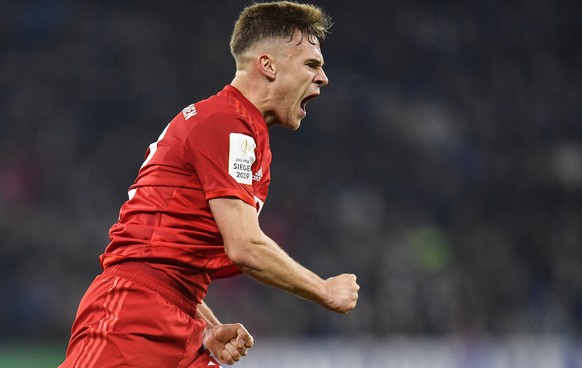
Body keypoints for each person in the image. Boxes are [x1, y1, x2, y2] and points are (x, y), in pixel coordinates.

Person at [59, 1, 360, 367]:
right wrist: (324, 290)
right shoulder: (223, 124)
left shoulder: (239, 129)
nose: (323, 77)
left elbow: (172, 252)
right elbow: (245, 246)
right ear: (268, 65)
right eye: (312, 64)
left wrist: (207, 327)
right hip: (131, 315)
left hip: (178, 316)